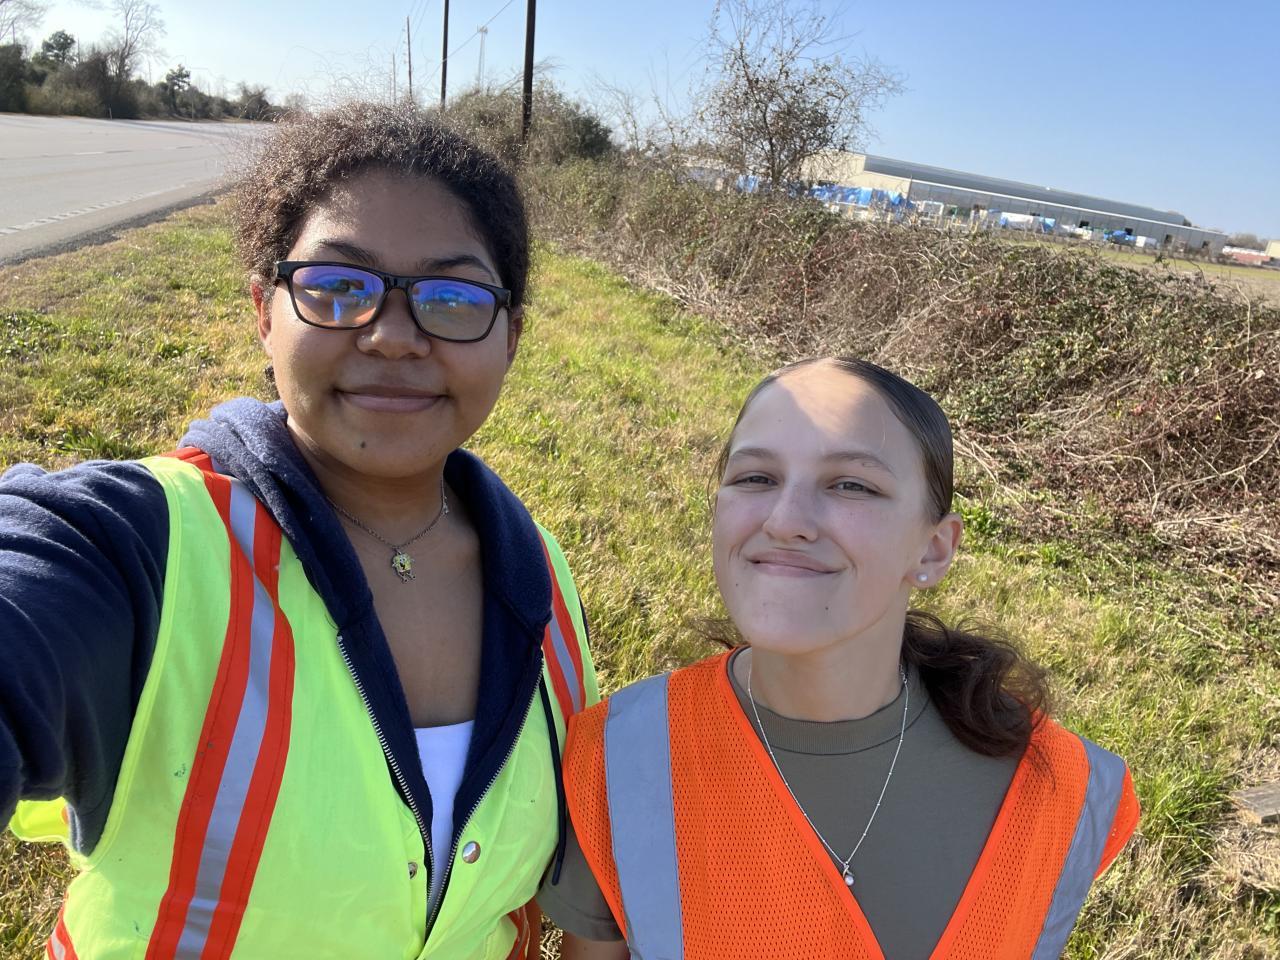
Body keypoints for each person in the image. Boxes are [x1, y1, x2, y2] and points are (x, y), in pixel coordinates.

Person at [1, 104, 597, 959]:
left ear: (510, 337)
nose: (392, 337)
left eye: (451, 298)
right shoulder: (145, 546)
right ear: (263, 311)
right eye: (339, 287)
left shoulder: (543, 578)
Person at [540, 357, 1139, 960]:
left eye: (851, 485)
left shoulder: (1065, 789)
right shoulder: (621, 759)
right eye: (756, 477)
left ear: (933, 549)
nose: (785, 522)